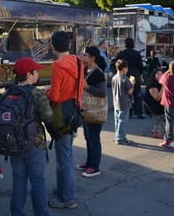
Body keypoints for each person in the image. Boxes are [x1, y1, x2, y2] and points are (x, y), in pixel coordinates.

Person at [0, 57, 52, 216]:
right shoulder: (37, 94)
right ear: (28, 74)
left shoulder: (6, 94)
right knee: (38, 181)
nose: (38, 74)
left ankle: (16, 212)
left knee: (19, 180)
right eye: (36, 71)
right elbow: (47, 116)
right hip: (35, 144)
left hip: (13, 145)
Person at [44, 31, 84, 209]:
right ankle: (63, 190)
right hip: (74, 111)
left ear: (53, 47)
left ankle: (67, 198)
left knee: (64, 158)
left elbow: (55, 96)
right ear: (69, 45)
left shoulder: (57, 65)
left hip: (61, 114)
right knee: (66, 154)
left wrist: (46, 90)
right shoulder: (78, 61)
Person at [77, 46, 107, 178]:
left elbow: (102, 92)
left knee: (94, 138)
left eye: (85, 55)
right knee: (88, 137)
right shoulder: (85, 69)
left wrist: (87, 87)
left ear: (92, 57)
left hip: (95, 111)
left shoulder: (97, 73)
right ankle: (89, 162)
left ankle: (95, 167)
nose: (82, 57)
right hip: (86, 110)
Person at [115, 37, 144, 118]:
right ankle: (139, 112)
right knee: (137, 93)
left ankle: (129, 111)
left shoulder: (121, 54)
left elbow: (115, 63)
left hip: (124, 74)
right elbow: (141, 66)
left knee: (126, 94)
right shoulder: (137, 54)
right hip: (135, 74)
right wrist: (140, 74)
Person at [111, 59, 134, 145]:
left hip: (116, 101)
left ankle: (117, 135)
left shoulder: (114, 78)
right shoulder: (125, 79)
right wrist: (133, 83)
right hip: (124, 102)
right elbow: (130, 91)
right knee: (122, 121)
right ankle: (120, 138)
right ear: (124, 68)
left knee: (117, 120)